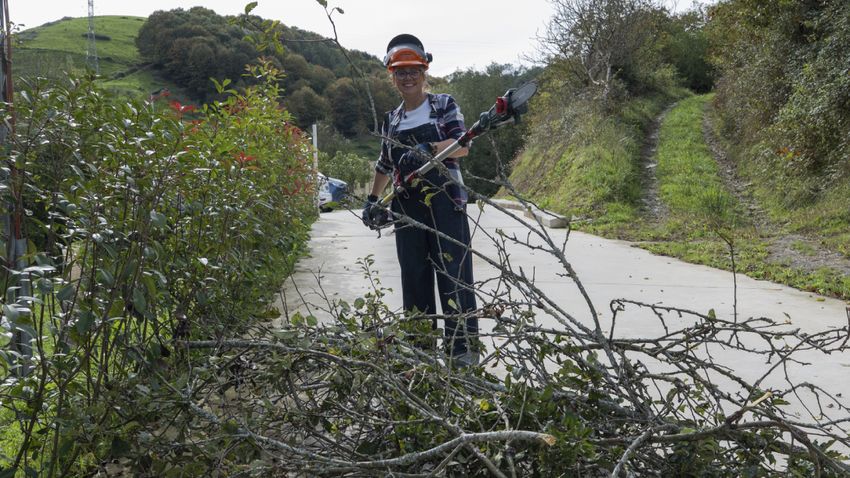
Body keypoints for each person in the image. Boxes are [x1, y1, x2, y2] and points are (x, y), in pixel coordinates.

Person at [362, 34, 478, 367]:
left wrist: (429, 149)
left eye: (414, 70)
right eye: (401, 72)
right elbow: (385, 163)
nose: (408, 77)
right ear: (392, 75)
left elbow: (463, 144)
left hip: (446, 201)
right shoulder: (392, 120)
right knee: (413, 276)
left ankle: (462, 353)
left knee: (454, 275)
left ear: (424, 71)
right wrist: (372, 198)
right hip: (406, 205)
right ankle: (420, 352)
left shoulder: (443, 104)